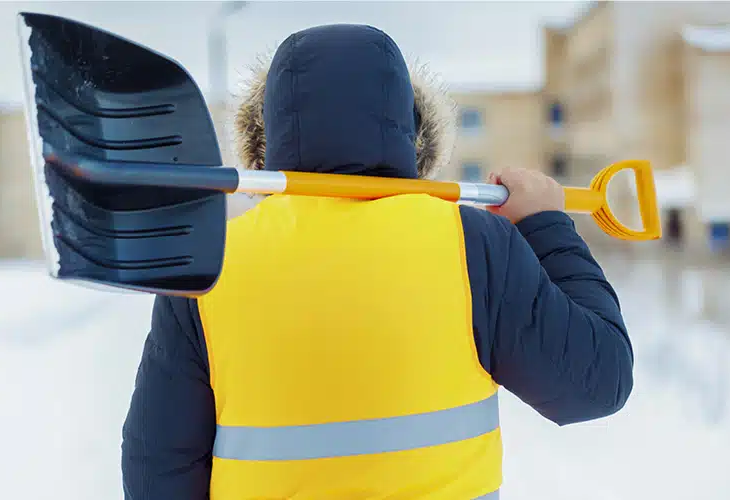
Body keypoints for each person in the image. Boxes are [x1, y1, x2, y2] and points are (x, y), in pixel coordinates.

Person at [121, 24, 634, 499]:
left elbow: (157, 468)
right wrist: (544, 224)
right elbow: (595, 381)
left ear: (265, 134)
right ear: (413, 129)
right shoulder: (472, 244)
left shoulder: (213, 266)